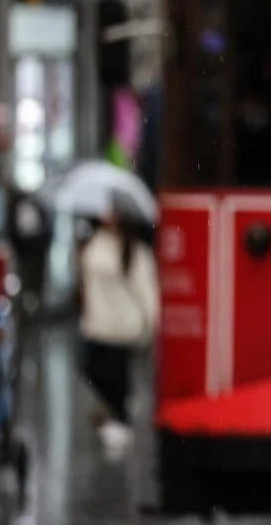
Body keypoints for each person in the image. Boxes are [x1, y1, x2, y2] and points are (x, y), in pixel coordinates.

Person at [77, 193, 159, 458]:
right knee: (89, 366)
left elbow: (146, 290)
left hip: (122, 325)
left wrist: (153, 323)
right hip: (95, 322)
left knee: (114, 372)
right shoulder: (95, 242)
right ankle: (116, 407)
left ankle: (119, 416)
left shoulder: (134, 250)